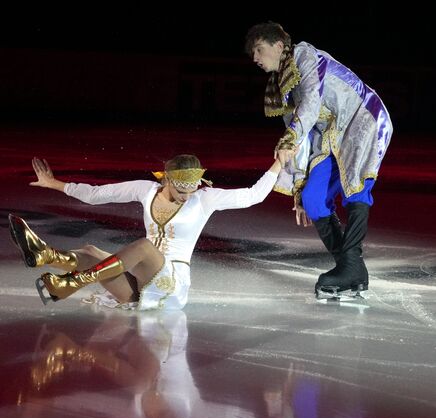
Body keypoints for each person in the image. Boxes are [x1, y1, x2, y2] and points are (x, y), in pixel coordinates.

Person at [9, 154, 283, 309]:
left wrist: (279, 163)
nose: (187, 196)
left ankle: (71, 283)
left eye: (192, 189)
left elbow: (253, 196)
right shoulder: (146, 190)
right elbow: (96, 195)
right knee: (91, 251)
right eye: (180, 190)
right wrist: (54, 183)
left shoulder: (206, 198)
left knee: (144, 246)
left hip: (172, 285)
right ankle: (46, 255)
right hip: (138, 284)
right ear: (166, 180)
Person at [245, 22, 393, 297]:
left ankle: (350, 267)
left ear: (278, 45)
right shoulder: (282, 87)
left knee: (356, 187)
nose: (255, 58)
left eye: (259, 50)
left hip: (361, 119)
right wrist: (299, 184)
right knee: (313, 200)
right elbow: (300, 138)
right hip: (329, 136)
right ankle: (351, 267)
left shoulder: (305, 56)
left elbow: (312, 102)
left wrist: (289, 138)